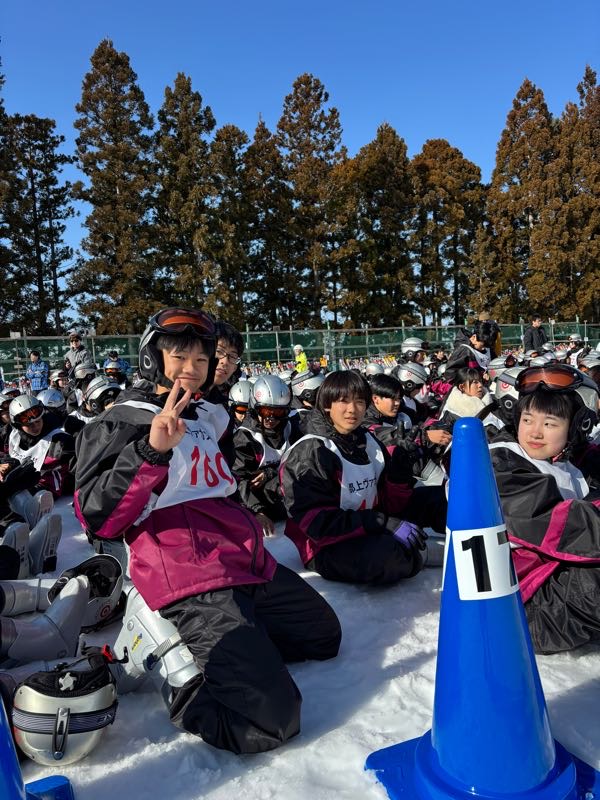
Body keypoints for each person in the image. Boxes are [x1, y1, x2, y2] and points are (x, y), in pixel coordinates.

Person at [74, 307, 341, 755]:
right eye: (180, 357)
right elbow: (98, 517)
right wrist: (150, 452)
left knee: (322, 636)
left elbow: (217, 481)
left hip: (242, 560)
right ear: (152, 358)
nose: (193, 368)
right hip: (188, 573)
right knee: (272, 720)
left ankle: (231, 646)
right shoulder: (122, 420)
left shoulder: (209, 414)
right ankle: (176, 667)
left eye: (201, 359)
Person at [281, 370, 438, 586]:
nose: (352, 409)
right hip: (326, 545)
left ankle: (470, 537)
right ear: (327, 405)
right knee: (384, 555)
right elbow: (316, 524)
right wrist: (381, 523)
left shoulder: (368, 442)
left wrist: (399, 475)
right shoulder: (311, 451)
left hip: (369, 523)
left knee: (437, 498)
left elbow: (388, 503)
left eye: (359, 402)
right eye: (343, 401)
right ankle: (428, 553)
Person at [488, 364, 600, 654]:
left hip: (547, 587)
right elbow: (555, 521)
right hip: (521, 611)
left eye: (550, 424)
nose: (535, 432)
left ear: (575, 428)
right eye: (527, 419)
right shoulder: (500, 463)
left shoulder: (563, 462)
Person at [233, 375, 303, 535]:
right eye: (265, 411)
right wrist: (257, 511)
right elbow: (238, 480)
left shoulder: (291, 428)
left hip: (288, 495)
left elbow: (303, 463)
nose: (271, 418)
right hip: (261, 501)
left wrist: (270, 472)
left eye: (278, 412)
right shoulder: (246, 437)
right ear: (254, 407)